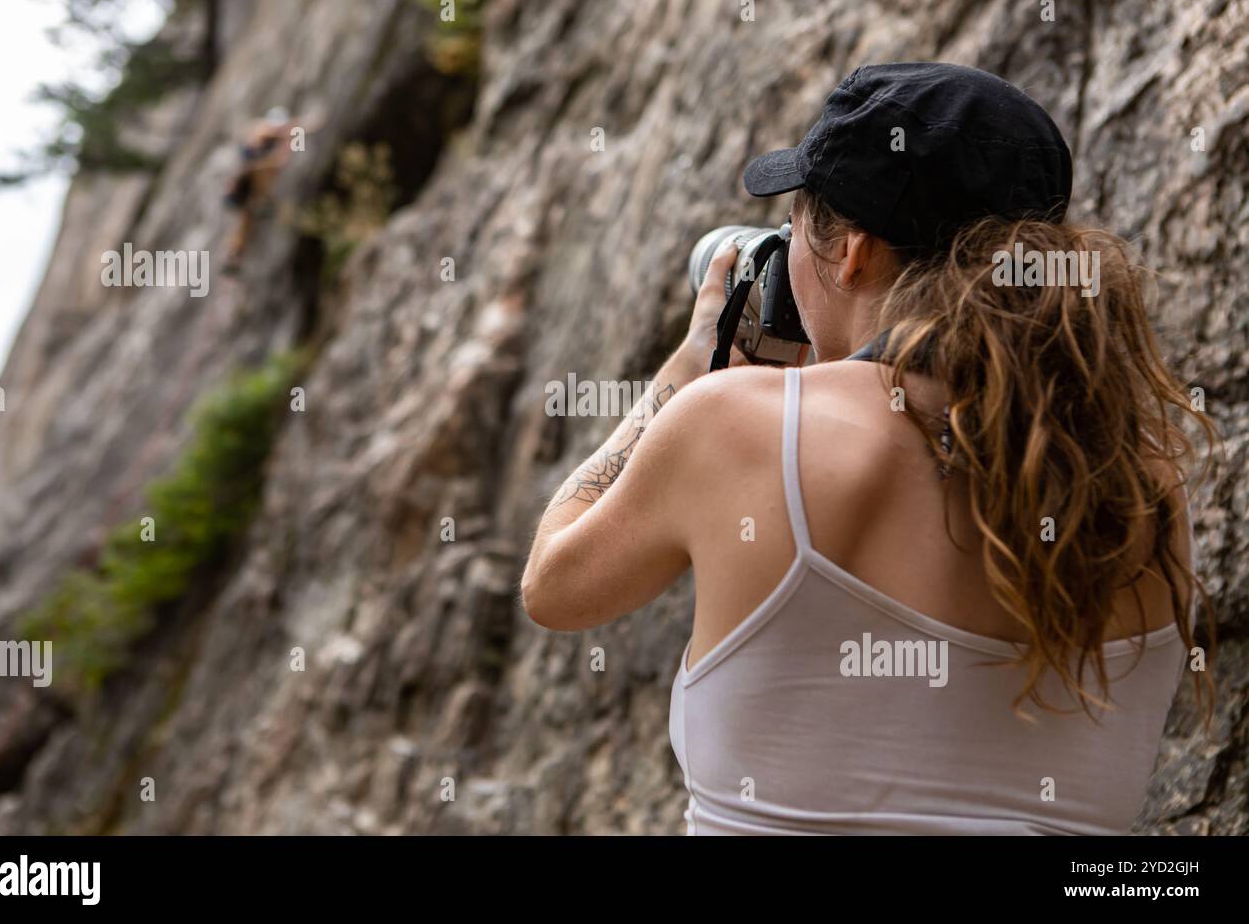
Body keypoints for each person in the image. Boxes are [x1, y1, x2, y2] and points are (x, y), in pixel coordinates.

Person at [520, 62, 1215, 835]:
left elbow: (554, 585)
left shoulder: (739, 427)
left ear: (851, 251)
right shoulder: (1144, 475)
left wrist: (682, 375)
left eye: (793, 227)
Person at [222, 106, 298, 272]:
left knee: (245, 220)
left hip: (248, 187)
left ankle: (234, 255)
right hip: (245, 184)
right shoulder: (260, 133)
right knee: (245, 217)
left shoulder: (267, 140)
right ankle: (234, 254)